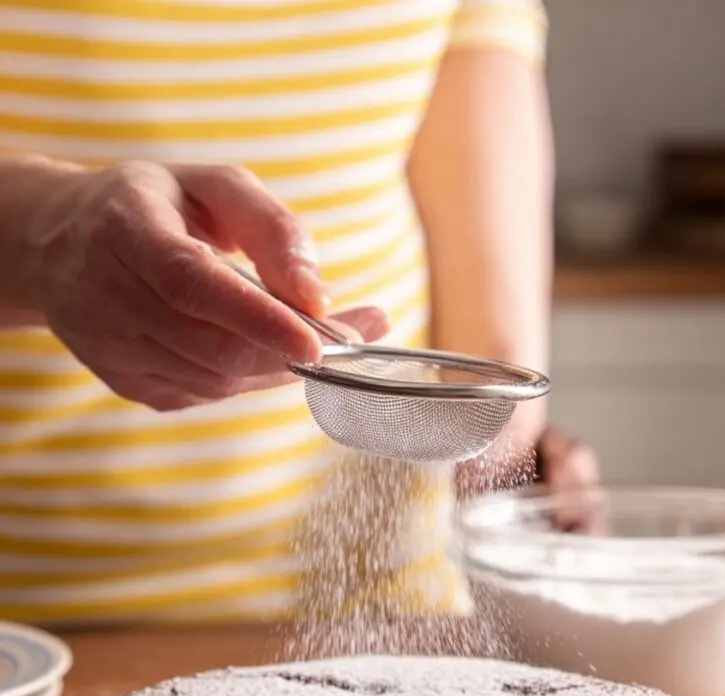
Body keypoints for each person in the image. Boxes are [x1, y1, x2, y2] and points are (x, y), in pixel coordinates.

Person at [0, 0, 597, 625]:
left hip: (380, 611)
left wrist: (513, 468)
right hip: (24, 630)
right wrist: (47, 234)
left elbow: (491, 341)